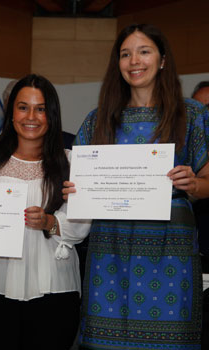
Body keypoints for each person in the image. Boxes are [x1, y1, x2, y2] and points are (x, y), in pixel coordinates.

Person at [69, 24, 209, 349]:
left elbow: (207, 182)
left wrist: (194, 184)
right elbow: (80, 183)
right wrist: (75, 192)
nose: (134, 60)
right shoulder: (97, 119)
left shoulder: (193, 115)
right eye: (125, 53)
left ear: (162, 60)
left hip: (170, 252)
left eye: (144, 51)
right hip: (109, 252)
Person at [0, 74, 90, 350]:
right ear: (11, 114)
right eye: (23, 107)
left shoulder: (71, 163)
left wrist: (49, 221)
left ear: (52, 115)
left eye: (41, 108)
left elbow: (81, 227)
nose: (31, 116)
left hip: (54, 288)